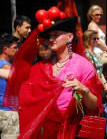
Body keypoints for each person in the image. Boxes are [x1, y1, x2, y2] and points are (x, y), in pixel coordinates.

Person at [3, 7, 104, 139]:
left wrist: (84, 90)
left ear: (69, 37)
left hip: (71, 129)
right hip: (46, 130)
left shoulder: (83, 65)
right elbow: (21, 80)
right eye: (50, 35)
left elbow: (94, 106)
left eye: (56, 35)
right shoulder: (42, 66)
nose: (51, 39)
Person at [0, 33, 19, 139]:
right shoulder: (6, 67)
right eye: (15, 48)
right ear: (5, 49)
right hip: (8, 114)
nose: (18, 50)